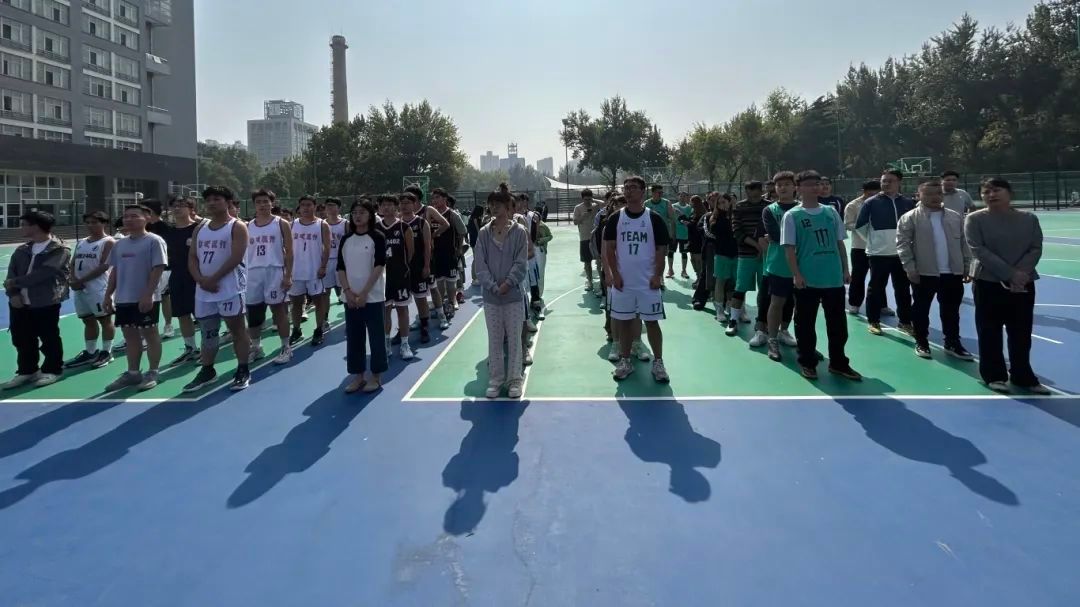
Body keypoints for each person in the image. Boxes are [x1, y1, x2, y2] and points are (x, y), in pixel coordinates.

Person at [965, 178, 1050, 394]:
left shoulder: (1028, 219)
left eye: (997, 190)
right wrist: (1010, 274)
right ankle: (994, 375)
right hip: (988, 282)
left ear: (1009, 192)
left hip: (1023, 283)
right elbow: (978, 250)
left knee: (1021, 331)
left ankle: (1023, 376)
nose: (991, 195)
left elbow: (1035, 248)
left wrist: (1020, 275)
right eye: (986, 192)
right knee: (989, 330)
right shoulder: (974, 219)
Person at [782, 170, 862, 381]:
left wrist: (845, 269)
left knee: (838, 325)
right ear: (798, 188)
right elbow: (789, 249)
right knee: (805, 324)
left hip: (833, 278)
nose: (815, 187)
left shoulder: (830, 212)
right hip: (807, 279)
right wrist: (796, 274)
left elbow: (839, 243)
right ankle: (807, 363)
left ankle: (838, 363)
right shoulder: (792, 215)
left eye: (817, 183)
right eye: (809, 184)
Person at [896, 178, 975, 361]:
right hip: (924, 273)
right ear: (918, 195)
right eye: (929, 194)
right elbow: (902, 245)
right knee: (921, 310)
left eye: (938, 193)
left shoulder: (955, 216)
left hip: (952, 273)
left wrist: (966, 266)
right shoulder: (910, 217)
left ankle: (952, 342)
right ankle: (922, 342)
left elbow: (964, 243)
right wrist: (910, 268)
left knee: (951, 311)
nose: (935, 197)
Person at [183, 186, 252, 392]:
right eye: (208, 200)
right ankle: (208, 370)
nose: (212, 203)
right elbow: (192, 257)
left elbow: (236, 257)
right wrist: (200, 279)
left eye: (217, 199)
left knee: (237, 330)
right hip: (204, 290)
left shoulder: (237, 226)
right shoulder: (200, 228)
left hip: (230, 288)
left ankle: (243, 368)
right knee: (208, 332)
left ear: (228, 202)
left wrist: (213, 279)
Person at [604, 175, 671, 383]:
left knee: (651, 322)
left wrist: (657, 275)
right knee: (624, 323)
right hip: (624, 283)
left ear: (643, 191)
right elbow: (609, 249)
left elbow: (661, 250)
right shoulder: (616, 218)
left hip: (647, 282)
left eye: (633, 187)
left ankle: (658, 362)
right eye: (626, 187)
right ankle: (625, 361)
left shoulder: (654, 219)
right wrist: (614, 274)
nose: (628, 190)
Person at [2, 211, 71, 389]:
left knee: (49, 337)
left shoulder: (59, 249)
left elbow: (43, 274)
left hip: (45, 301)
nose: (21, 228)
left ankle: (52, 369)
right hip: (19, 303)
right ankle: (27, 370)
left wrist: (13, 283)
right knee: (22, 338)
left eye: (24, 224)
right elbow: (11, 273)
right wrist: (13, 294)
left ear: (36, 226)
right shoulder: (22, 250)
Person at [101, 205, 166, 392]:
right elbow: (115, 271)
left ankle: (153, 372)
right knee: (130, 336)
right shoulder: (119, 244)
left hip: (145, 297)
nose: (128, 220)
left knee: (150, 334)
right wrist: (108, 295)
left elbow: (158, 268)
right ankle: (133, 373)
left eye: (134, 216)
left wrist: (148, 294)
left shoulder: (154, 241)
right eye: (126, 216)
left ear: (147, 218)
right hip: (124, 298)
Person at [474, 187, 529, 399]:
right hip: (491, 297)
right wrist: (492, 286)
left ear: (508, 206)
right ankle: (495, 380)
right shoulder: (483, 232)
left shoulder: (519, 232)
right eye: (491, 204)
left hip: (513, 296)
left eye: (498, 204)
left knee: (514, 339)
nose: (494, 208)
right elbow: (480, 263)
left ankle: (514, 380)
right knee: (495, 339)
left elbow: (521, 263)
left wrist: (507, 283)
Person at [856, 169, 915, 336]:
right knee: (876, 288)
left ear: (899, 182)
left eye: (890, 181)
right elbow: (860, 226)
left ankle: (905, 322)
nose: (886, 184)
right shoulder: (871, 202)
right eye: (884, 181)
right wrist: (875, 241)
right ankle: (873, 321)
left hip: (902, 254)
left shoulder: (908, 202)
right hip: (878, 254)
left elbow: (913, 227)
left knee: (903, 289)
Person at [337, 199, 388, 393]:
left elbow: (379, 265)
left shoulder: (377, 237)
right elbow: (340, 267)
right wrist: (348, 292)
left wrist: (365, 292)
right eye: (355, 212)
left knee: (376, 337)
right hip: (351, 298)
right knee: (354, 338)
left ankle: (376, 376)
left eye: (362, 212)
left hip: (372, 297)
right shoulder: (346, 239)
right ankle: (358, 376)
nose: (358, 216)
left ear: (370, 215)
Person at [245, 188, 294, 366]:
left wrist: (288, 275)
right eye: (258, 202)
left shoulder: (281, 223)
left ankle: (286, 347)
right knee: (253, 313)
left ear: (272, 203)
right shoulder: (247, 226)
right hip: (253, 273)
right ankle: (256, 347)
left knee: (278, 311)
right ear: (254, 205)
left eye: (266, 201)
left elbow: (290, 251)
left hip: (274, 271)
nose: (262, 205)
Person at [64, 211, 116, 370]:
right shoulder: (82, 242)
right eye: (87, 222)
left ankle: (107, 352)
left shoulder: (108, 241)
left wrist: (81, 280)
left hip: (98, 287)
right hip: (80, 288)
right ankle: (90, 352)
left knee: (105, 320)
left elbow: (104, 266)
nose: (90, 225)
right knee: (87, 320)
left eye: (94, 222)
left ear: (104, 223)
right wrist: (72, 279)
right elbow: (73, 262)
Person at [758, 171, 800, 361]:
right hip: (778, 264)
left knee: (798, 304)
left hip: (803, 264)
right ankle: (772, 340)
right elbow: (775, 236)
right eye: (779, 185)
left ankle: (789, 333)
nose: (783, 188)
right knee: (776, 302)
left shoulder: (802, 209)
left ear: (794, 187)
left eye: (787, 184)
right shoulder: (769, 210)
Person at [161, 196, 204, 365]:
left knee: (202, 315)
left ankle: (208, 348)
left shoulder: (200, 229)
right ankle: (191, 349)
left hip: (197, 277)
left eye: (182, 205)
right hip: (177, 277)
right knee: (182, 315)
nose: (177, 208)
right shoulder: (168, 231)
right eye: (174, 206)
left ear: (191, 209)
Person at [376, 193, 416, 360]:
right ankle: (386, 342)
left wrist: (403, 267)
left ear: (396, 207)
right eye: (383, 205)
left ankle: (405, 343)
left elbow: (410, 252)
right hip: (382, 277)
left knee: (402, 309)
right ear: (379, 208)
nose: (386, 207)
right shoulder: (375, 228)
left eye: (390, 204)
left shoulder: (404, 227)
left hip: (400, 275)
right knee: (385, 311)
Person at [287, 196, 331, 346]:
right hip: (296, 271)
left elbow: (327, 248)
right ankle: (296, 330)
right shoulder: (292, 224)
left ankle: (319, 329)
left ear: (314, 206)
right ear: (299, 207)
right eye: (303, 205)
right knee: (296, 303)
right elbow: (286, 248)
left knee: (318, 301)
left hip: (314, 271)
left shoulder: (322, 225)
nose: (305, 208)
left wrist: (323, 266)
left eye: (309, 205)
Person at [727, 181, 768, 337]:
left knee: (765, 291)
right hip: (746, 255)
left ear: (761, 190)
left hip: (767, 256)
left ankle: (762, 322)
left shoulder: (769, 206)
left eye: (754, 188)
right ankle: (733, 320)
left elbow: (773, 230)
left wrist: (764, 248)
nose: (751, 191)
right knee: (740, 288)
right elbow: (737, 232)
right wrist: (758, 246)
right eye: (748, 189)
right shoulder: (739, 207)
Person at [843, 180, 883, 315]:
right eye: (871, 193)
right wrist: (864, 226)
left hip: (879, 247)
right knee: (858, 276)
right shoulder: (853, 205)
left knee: (879, 277)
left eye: (877, 193)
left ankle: (882, 305)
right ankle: (854, 303)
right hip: (860, 247)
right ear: (864, 192)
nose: (874, 196)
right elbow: (848, 224)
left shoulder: (883, 202)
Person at [399, 191, 434, 344]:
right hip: (401, 269)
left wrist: (426, 266)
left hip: (418, 267)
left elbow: (427, 246)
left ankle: (424, 326)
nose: (404, 206)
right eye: (402, 203)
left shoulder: (421, 223)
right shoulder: (397, 223)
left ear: (414, 204)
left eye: (408, 203)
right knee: (401, 303)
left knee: (421, 298)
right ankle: (402, 330)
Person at [144, 200, 175, 338]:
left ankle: (168, 325)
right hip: (144, 269)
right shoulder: (143, 227)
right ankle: (144, 330)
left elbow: (170, 250)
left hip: (164, 269)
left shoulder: (166, 228)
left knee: (163, 297)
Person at [708, 194, 738, 323]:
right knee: (720, 282)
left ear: (730, 202)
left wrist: (732, 214)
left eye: (724, 202)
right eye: (719, 203)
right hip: (721, 254)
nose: (722, 205)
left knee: (738, 283)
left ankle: (739, 308)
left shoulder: (736, 215)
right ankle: (719, 310)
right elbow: (715, 231)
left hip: (737, 254)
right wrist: (724, 216)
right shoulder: (714, 217)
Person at [645, 184, 678, 279]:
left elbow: (672, 219)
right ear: (652, 193)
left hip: (662, 233)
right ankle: (651, 276)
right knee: (650, 257)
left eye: (661, 192)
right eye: (658, 192)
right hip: (650, 234)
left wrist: (673, 234)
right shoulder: (646, 204)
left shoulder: (666, 203)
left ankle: (660, 278)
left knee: (661, 257)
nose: (660, 194)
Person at [322, 197, 348, 314]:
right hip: (326, 261)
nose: (329, 207)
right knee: (325, 292)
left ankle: (348, 315)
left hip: (341, 260)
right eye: (328, 205)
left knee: (344, 290)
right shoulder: (321, 224)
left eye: (332, 205)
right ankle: (325, 318)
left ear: (339, 208)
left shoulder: (345, 224)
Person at [572, 189, 601, 292]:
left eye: (589, 199)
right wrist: (583, 217)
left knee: (599, 261)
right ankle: (589, 281)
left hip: (596, 237)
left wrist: (594, 200)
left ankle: (601, 283)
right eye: (586, 199)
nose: (588, 201)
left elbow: (604, 203)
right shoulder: (578, 208)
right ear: (582, 198)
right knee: (587, 262)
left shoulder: (595, 206)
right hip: (584, 238)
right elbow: (575, 222)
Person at [673, 191, 692, 278]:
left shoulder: (689, 208)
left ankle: (684, 271)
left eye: (684, 196)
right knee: (671, 251)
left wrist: (681, 214)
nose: (682, 197)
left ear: (686, 197)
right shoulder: (673, 206)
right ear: (678, 197)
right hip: (674, 234)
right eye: (681, 196)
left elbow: (689, 220)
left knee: (684, 253)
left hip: (685, 235)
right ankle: (670, 270)